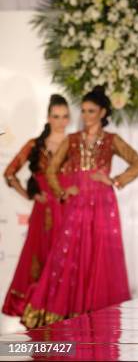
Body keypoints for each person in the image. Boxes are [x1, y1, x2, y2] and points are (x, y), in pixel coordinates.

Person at [21, 85, 138, 328]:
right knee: (71, 252)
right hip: (78, 204)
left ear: (102, 112)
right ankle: (68, 313)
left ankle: (98, 316)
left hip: (103, 203)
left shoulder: (112, 140)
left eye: (91, 111)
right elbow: (50, 170)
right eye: (84, 111)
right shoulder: (72, 139)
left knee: (100, 254)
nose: (86, 116)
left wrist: (114, 180)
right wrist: (62, 191)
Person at [2, 94, 70, 316]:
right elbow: (9, 173)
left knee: (66, 258)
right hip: (43, 212)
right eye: (56, 116)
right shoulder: (34, 145)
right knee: (38, 257)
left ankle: (61, 308)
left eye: (65, 116)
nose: (61, 121)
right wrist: (30, 195)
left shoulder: (74, 144)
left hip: (67, 210)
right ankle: (37, 308)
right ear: (48, 117)